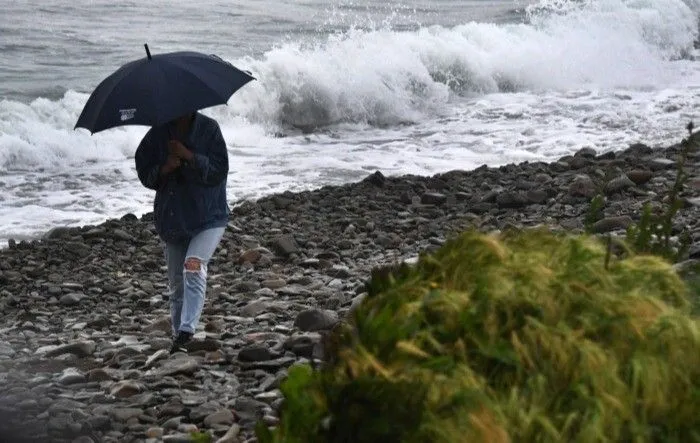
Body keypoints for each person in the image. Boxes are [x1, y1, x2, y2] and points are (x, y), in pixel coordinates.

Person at [135, 111, 229, 354]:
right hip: (174, 217)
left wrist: (189, 156)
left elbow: (219, 170)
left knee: (193, 264)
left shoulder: (209, 129)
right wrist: (166, 167)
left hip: (209, 215)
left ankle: (187, 330)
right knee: (176, 284)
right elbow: (145, 173)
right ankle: (179, 339)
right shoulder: (157, 134)